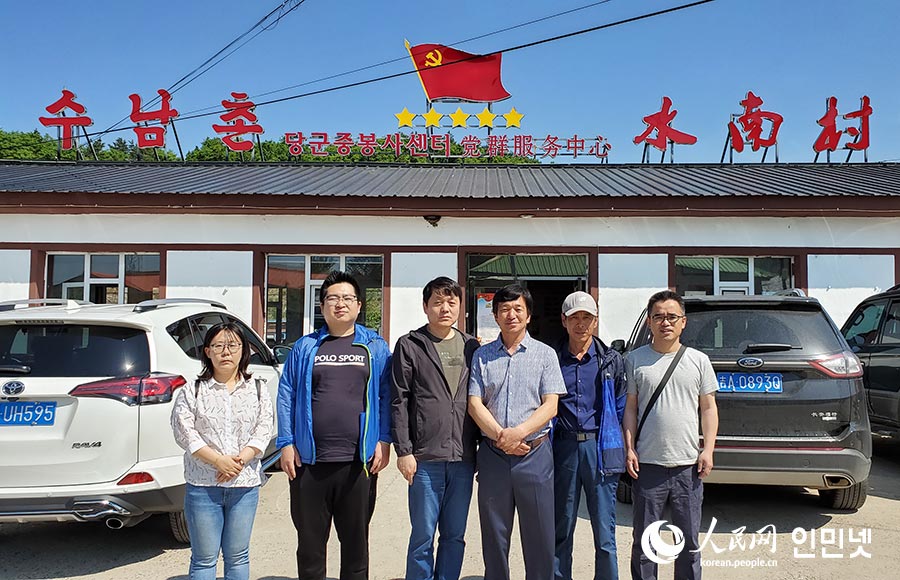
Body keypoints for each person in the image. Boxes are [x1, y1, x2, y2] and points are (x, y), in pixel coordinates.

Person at [275, 270, 392, 580]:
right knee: (310, 548)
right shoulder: (305, 347)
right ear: (322, 305)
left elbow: (386, 396)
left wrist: (384, 440)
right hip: (309, 463)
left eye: (347, 298)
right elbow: (286, 394)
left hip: (358, 462)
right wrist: (286, 442)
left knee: (356, 547)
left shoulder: (375, 346)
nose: (340, 304)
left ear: (359, 305)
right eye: (333, 298)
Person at [468, 284, 567, 580]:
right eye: (504, 309)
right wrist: (502, 437)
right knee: (494, 534)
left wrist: (518, 433)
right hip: (493, 456)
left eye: (517, 309)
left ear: (528, 315)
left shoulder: (545, 354)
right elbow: (474, 403)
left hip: (534, 455)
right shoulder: (482, 356)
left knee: (539, 534)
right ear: (495, 315)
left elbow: (551, 405)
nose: (511, 315)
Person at [623, 290, 719, 580]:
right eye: (658, 317)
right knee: (645, 542)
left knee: (688, 542)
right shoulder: (634, 360)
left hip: (687, 467)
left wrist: (708, 449)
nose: (665, 322)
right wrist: (630, 448)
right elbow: (630, 409)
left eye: (672, 317)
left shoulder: (699, 360)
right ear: (649, 322)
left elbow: (708, 408)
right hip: (648, 465)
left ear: (683, 322)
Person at [392, 276, 481, 580]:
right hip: (424, 458)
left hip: (462, 457)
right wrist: (404, 451)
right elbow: (399, 400)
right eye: (438, 302)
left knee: (455, 535)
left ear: (460, 306)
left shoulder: (471, 346)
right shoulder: (410, 345)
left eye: (451, 302)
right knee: (423, 536)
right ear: (425, 306)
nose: (445, 308)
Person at [171, 322, 274, 580]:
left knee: (238, 556)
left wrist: (239, 461)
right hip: (203, 485)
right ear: (207, 351)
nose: (225, 352)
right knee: (204, 559)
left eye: (232, 345)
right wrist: (218, 461)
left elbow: (264, 429)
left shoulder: (257, 389)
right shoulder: (193, 390)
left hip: (244, 486)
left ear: (244, 350)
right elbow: (184, 432)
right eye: (218, 346)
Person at [553, 291, 626, 580]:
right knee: (561, 526)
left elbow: (621, 407)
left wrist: (624, 447)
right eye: (574, 318)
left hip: (599, 447)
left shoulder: (610, 360)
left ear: (595, 321)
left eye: (587, 317)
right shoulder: (552, 358)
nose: (580, 324)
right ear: (564, 320)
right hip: (564, 447)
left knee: (605, 530)